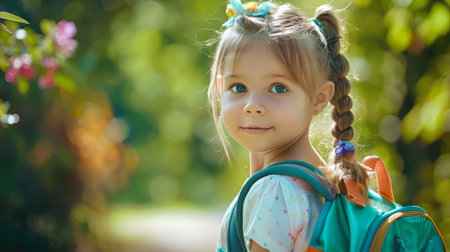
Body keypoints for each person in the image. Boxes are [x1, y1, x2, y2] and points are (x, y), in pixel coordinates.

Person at [207, 0, 369, 251]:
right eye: (238, 87)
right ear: (221, 90)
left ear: (320, 98)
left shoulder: (275, 190)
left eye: (278, 88)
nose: (253, 105)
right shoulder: (327, 180)